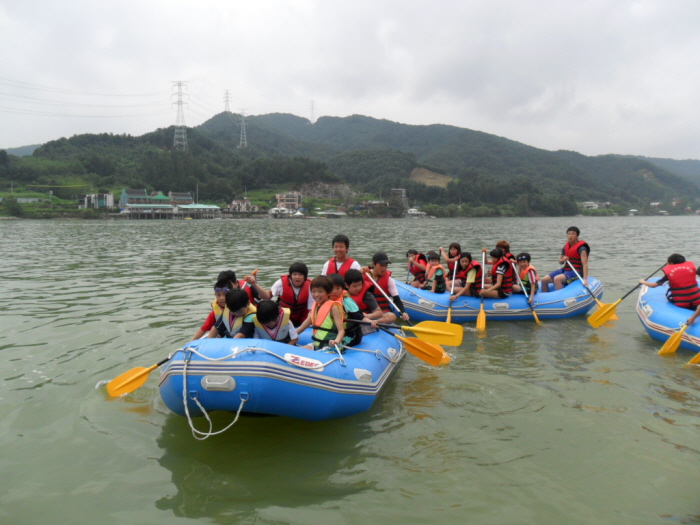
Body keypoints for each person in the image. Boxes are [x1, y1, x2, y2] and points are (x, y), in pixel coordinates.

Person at [296, 275, 346, 350]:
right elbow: (302, 327)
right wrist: (290, 335)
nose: (316, 294)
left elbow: (341, 330)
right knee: (298, 351)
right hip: (316, 345)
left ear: (329, 292)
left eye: (320, 291)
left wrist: (336, 341)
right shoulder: (316, 307)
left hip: (330, 347)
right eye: (313, 291)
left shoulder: (333, 307)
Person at [363, 252, 410, 324]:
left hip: (383, 313)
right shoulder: (364, 277)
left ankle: (376, 322)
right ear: (373, 264)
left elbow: (396, 299)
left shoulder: (389, 280)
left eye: (385, 265)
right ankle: (368, 319)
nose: (384, 268)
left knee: (392, 316)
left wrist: (403, 312)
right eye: (381, 265)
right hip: (368, 312)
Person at [540, 226, 590, 292]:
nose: (570, 236)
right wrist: (563, 259)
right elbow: (560, 262)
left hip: (576, 272)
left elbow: (585, 264)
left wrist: (585, 279)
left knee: (557, 279)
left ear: (577, 236)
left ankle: (559, 297)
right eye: (569, 234)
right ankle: (545, 296)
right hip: (565, 270)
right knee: (544, 280)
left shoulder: (582, 249)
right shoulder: (566, 246)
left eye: (573, 234)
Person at [190, 276, 235, 341]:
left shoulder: (239, 307)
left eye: (225, 294)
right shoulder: (214, 313)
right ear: (215, 295)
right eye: (218, 295)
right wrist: (191, 341)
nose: (222, 298)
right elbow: (204, 328)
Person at [269, 262, 313, 328]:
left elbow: (311, 309)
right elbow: (268, 296)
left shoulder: (310, 286)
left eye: (300, 274)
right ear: (290, 275)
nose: (297, 277)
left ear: (305, 276)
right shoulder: (280, 283)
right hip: (285, 317)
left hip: (303, 317)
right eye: (294, 274)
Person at [328, 273, 363, 346]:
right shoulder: (324, 300)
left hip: (351, 334)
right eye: (332, 288)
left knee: (334, 346)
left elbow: (360, 317)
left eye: (338, 288)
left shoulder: (346, 301)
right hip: (334, 333)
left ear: (342, 289)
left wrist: (371, 322)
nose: (334, 291)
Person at [345, 269, 383, 334]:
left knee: (391, 316)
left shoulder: (367, 295)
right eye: (355, 286)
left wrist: (367, 316)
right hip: (350, 322)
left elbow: (379, 313)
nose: (358, 288)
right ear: (347, 285)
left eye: (360, 285)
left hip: (366, 320)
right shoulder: (341, 295)